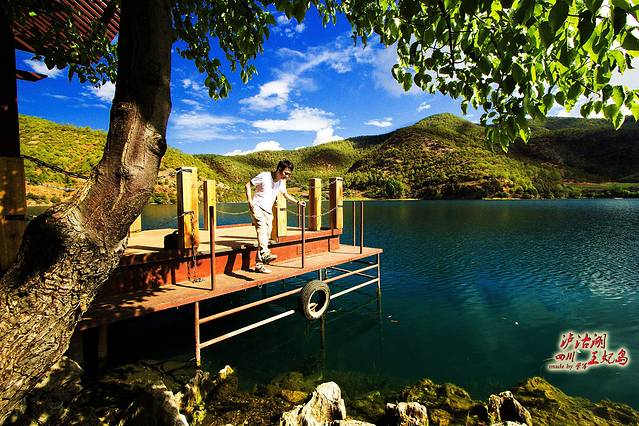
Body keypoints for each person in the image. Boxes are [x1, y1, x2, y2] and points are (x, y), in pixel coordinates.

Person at [246, 160, 305, 273]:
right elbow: (248, 185)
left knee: (265, 236)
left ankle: (259, 265)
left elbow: (285, 194)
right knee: (262, 229)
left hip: (268, 211)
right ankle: (265, 253)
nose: (287, 176)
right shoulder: (264, 176)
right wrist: (249, 201)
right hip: (257, 206)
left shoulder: (281, 182)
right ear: (279, 169)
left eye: (289, 174)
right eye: (285, 173)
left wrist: (297, 202)